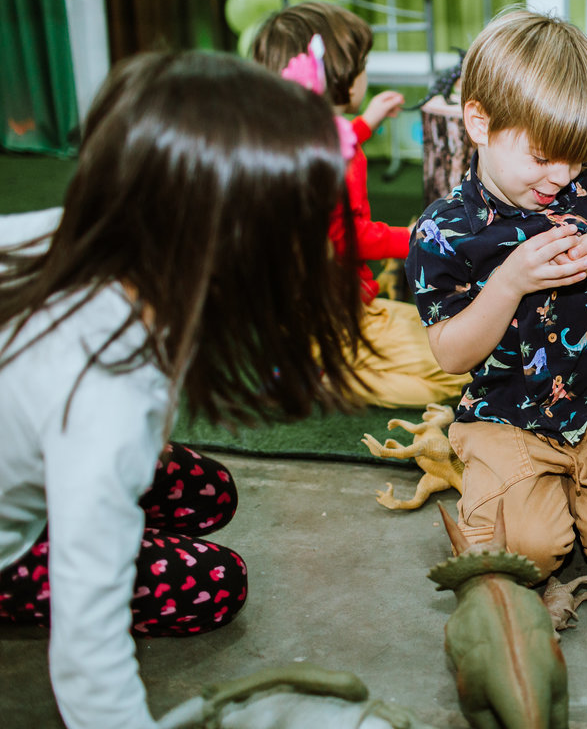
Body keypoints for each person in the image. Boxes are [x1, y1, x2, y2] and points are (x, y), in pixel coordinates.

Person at [0, 50, 370, 729]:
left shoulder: (85, 237)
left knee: (209, 491)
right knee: (213, 582)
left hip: (37, 442)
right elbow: (89, 659)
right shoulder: (105, 406)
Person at [406, 8, 587, 581]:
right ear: (479, 123)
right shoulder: (443, 231)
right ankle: (526, 485)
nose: (560, 176)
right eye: (541, 157)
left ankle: (581, 487)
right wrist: (509, 281)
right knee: (525, 558)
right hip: (503, 415)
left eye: (576, 156)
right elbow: (452, 355)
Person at [252, 0, 469, 408]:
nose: (366, 72)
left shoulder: (286, 140)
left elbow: (337, 140)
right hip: (340, 314)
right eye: (363, 62)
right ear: (338, 76)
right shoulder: (341, 159)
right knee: (459, 372)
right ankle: (322, 380)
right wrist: (416, 238)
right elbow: (354, 239)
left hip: (293, 311)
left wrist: (367, 122)